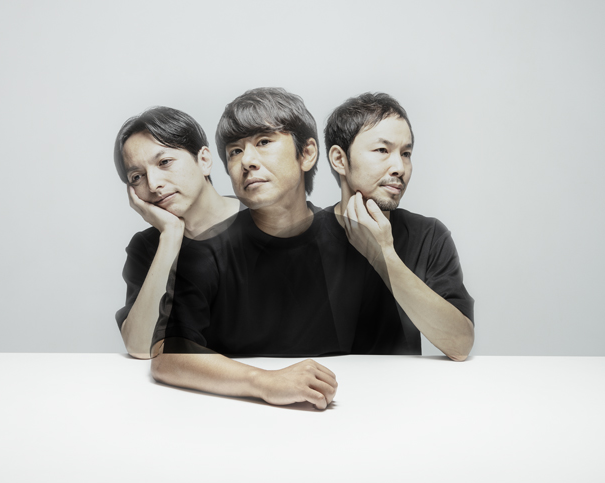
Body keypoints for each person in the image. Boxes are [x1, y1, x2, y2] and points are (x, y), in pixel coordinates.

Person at [150, 87, 418, 409]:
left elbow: (392, 365)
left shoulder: (356, 239)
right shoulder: (204, 251)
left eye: (264, 142)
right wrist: (264, 381)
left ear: (307, 154)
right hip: (236, 417)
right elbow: (167, 355)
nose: (247, 161)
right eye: (235, 151)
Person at [324, 92, 474, 361]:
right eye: (382, 150)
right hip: (323, 384)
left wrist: (384, 255)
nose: (399, 167)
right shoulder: (302, 236)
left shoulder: (429, 236)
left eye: (406, 154)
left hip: (403, 386)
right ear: (339, 159)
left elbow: (460, 345)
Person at [114, 106, 240, 359]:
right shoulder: (147, 246)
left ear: (203, 160)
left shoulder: (266, 221)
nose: (153, 184)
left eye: (164, 162)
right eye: (137, 176)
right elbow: (140, 347)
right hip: (186, 380)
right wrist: (171, 235)